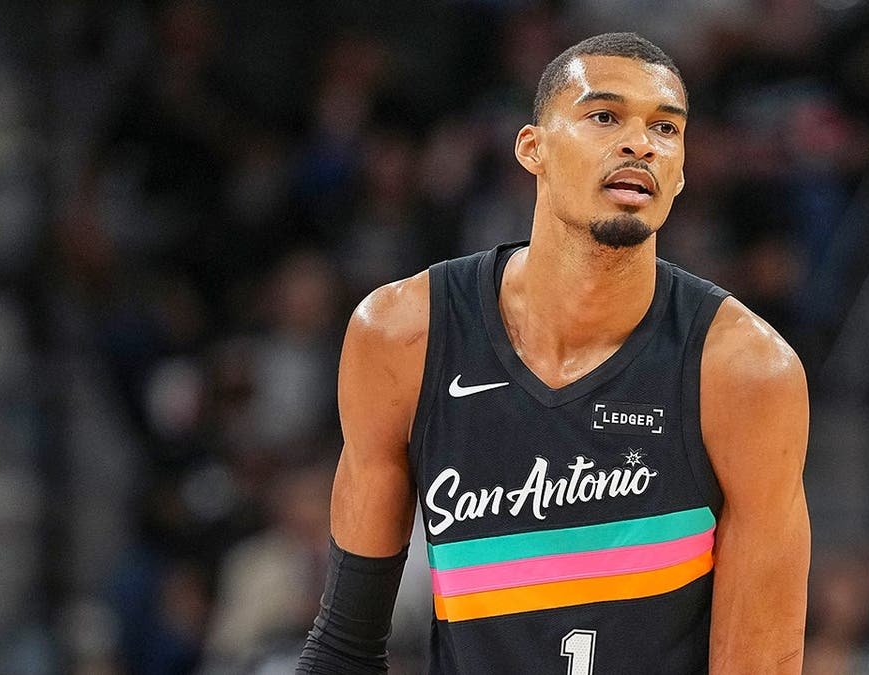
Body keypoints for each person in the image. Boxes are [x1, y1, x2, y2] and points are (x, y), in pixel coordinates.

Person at [296, 32, 810, 674]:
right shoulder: (403, 336)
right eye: (604, 116)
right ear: (532, 149)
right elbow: (344, 647)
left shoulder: (745, 373)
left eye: (666, 128)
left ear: (681, 173)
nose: (640, 143)